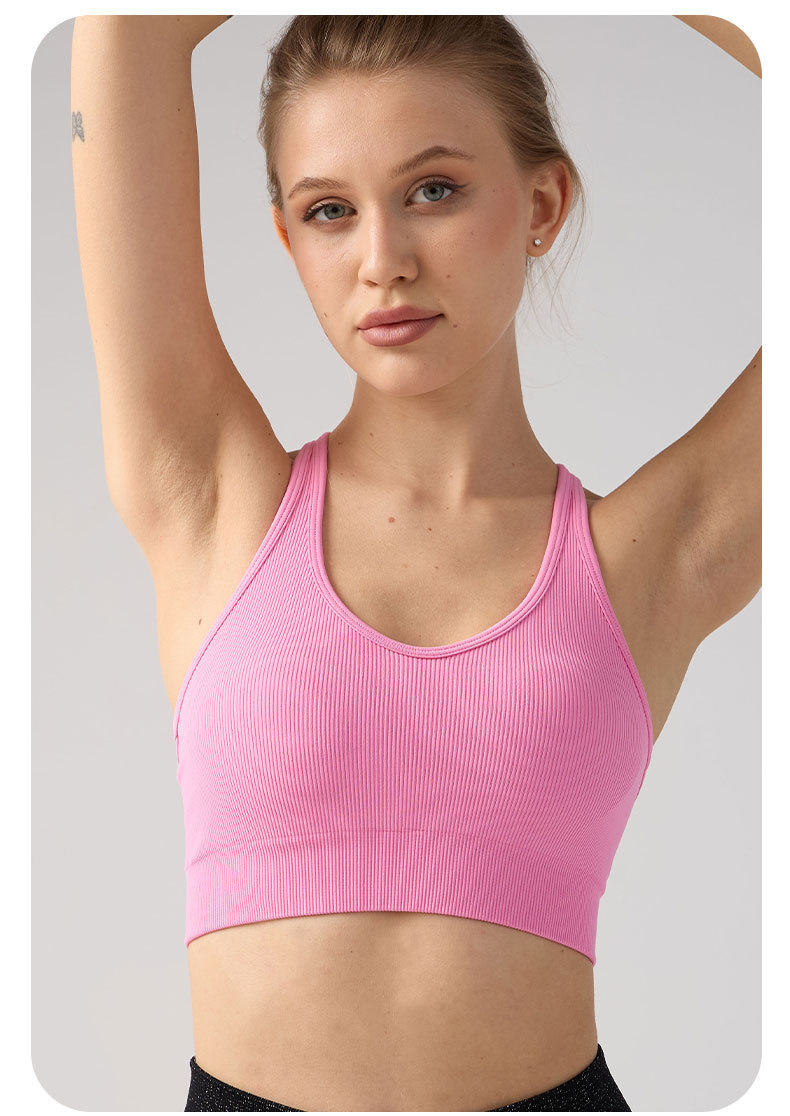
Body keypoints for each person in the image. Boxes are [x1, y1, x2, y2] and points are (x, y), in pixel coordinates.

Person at [70, 14, 761, 1113]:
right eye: (329, 211)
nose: (383, 260)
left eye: (433, 190)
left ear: (542, 205)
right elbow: (123, 31)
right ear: (289, 239)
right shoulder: (210, 497)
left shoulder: (655, 558)